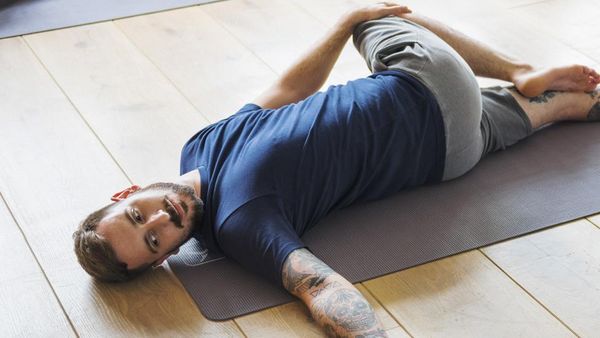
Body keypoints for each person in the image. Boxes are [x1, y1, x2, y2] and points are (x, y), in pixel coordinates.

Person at [73, 3, 600, 337]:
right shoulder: (240, 226)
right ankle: (520, 71)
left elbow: (285, 93)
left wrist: (336, 23)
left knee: (563, 105)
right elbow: (316, 284)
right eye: (154, 242)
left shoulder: (198, 147)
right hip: (425, 88)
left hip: (450, 158)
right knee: (381, 17)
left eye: (136, 215)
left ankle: (555, 102)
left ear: (128, 190)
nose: (160, 221)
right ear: (167, 257)